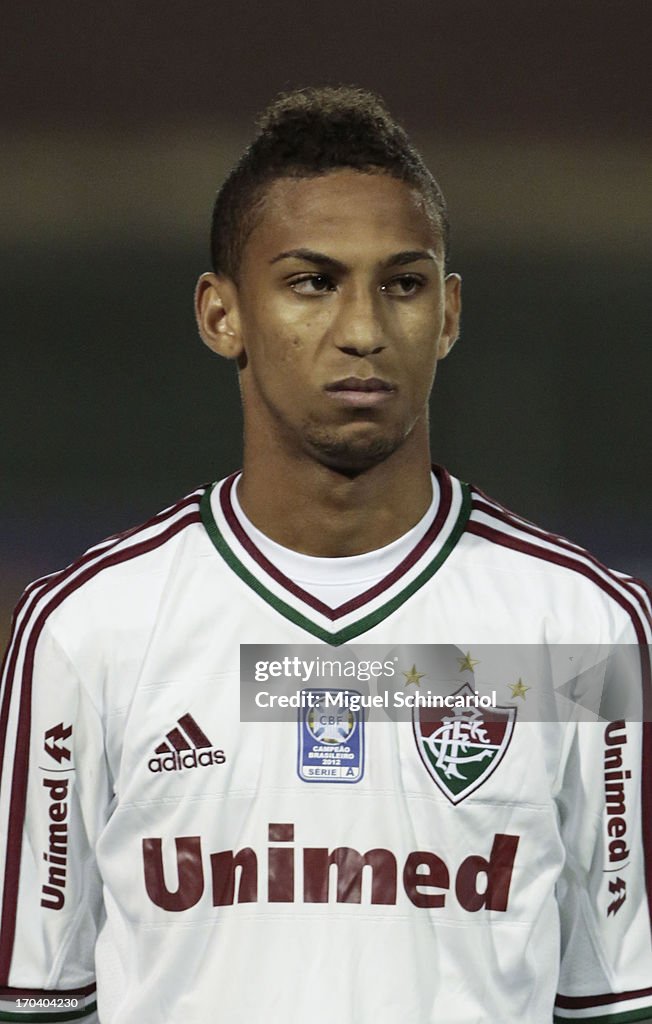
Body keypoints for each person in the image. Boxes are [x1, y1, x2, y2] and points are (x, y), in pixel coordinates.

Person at [0, 86, 650, 1024]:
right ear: (221, 315)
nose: (363, 329)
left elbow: (620, 1000)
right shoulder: (88, 633)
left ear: (451, 313)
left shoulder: (581, 635)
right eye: (312, 282)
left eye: (404, 283)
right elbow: (39, 999)